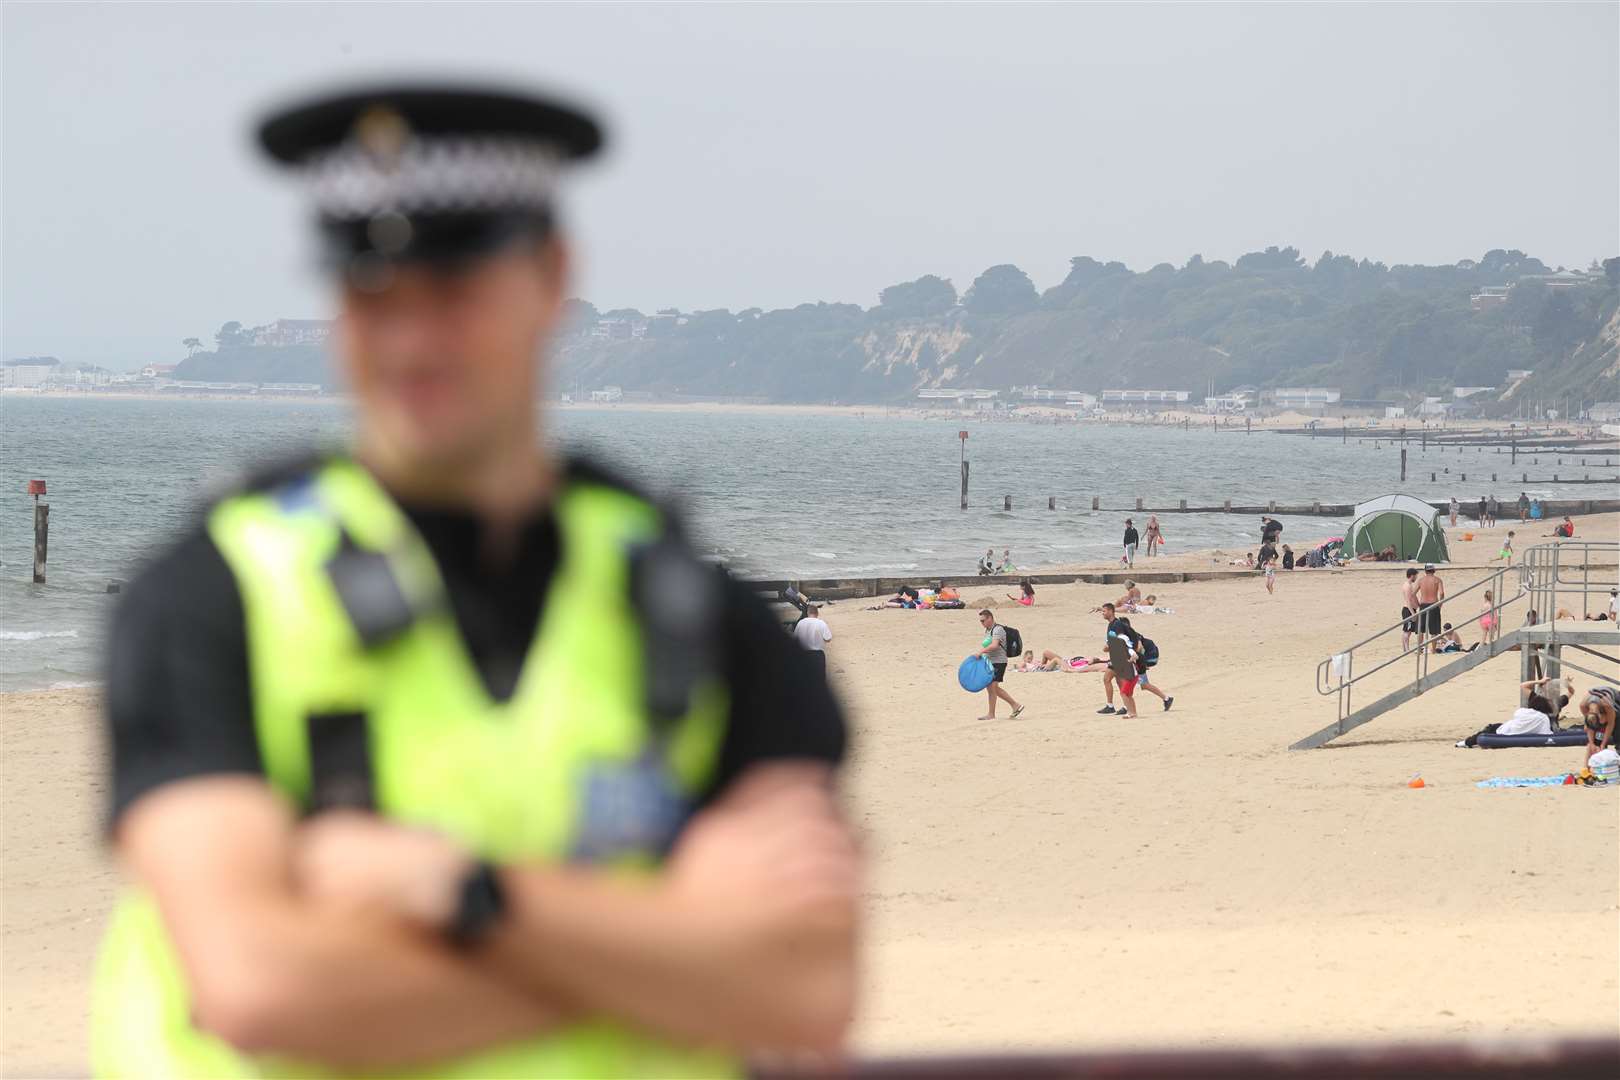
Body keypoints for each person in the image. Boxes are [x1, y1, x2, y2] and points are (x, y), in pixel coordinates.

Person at [94, 83, 856, 1078]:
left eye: (453, 290)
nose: (411, 342)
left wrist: (466, 894)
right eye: (372, 296)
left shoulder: (700, 614)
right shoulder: (213, 594)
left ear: (552, 278)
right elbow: (259, 986)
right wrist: (663, 956)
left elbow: (803, 989)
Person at [975, 609, 1025, 720]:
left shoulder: (998, 629)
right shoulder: (988, 630)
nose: (982, 623)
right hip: (991, 662)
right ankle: (991, 714)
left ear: (990, 618)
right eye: (980, 621)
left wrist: (980, 652)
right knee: (990, 688)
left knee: (994, 688)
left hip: (999, 662)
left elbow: (995, 645)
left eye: (983, 621)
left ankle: (1015, 705)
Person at [1580, 686, 1619, 766]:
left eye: (1602, 723)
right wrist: (1592, 743)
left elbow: (1610, 724)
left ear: (1602, 715)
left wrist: (1603, 743)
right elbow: (1589, 727)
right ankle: (1587, 768)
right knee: (1595, 744)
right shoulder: (1583, 706)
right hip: (1597, 703)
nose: (1602, 725)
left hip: (1617, 702)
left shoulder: (1607, 706)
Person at [792, 603, 833, 677]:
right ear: (817, 613)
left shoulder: (800, 623)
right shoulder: (821, 623)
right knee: (819, 678)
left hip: (802, 654)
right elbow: (828, 638)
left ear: (807, 613)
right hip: (817, 655)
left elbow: (795, 639)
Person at [1414, 563, 1445, 646]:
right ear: (1434, 570)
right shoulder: (1437, 580)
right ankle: (1433, 649)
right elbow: (1441, 593)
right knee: (1434, 630)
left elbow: (1413, 594)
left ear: (1425, 571)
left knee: (1421, 629)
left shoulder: (1421, 580)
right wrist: (1440, 604)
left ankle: (1419, 648)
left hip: (1423, 605)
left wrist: (1418, 604)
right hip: (1434, 604)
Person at [1400, 568, 1420, 652]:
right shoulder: (1407, 586)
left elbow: (1413, 597)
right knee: (1407, 631)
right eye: (1415, 576)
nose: (1416, 578)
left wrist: (1418, 605)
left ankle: (1405, 648)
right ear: (1412, 575)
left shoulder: (1408, 585)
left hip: (1409, 609)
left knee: (1406, 630)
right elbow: (1408, 601)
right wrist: (1413, 613)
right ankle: (1406, 649)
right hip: (1408, 610)